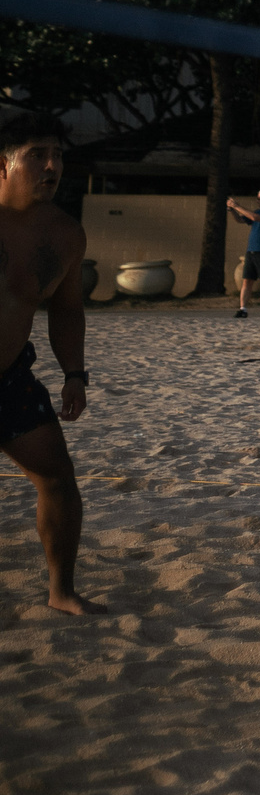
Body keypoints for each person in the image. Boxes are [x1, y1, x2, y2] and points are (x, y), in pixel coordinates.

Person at [0, 110, 98, 614]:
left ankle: (61, 591)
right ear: (4, 164)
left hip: (9, 381)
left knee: (58, 480)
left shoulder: (63, 234)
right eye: (37, 154)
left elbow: (66, 310)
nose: (52, 165)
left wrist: (74, 374)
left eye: (57, 155)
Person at [226, 188, 260, 318]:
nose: (257, 202)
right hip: (252, 250)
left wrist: (237, 205)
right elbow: (241, 220)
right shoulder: (258, 211)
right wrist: (232, 209)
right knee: (247, 280)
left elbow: (254, 217)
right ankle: (243, 308)